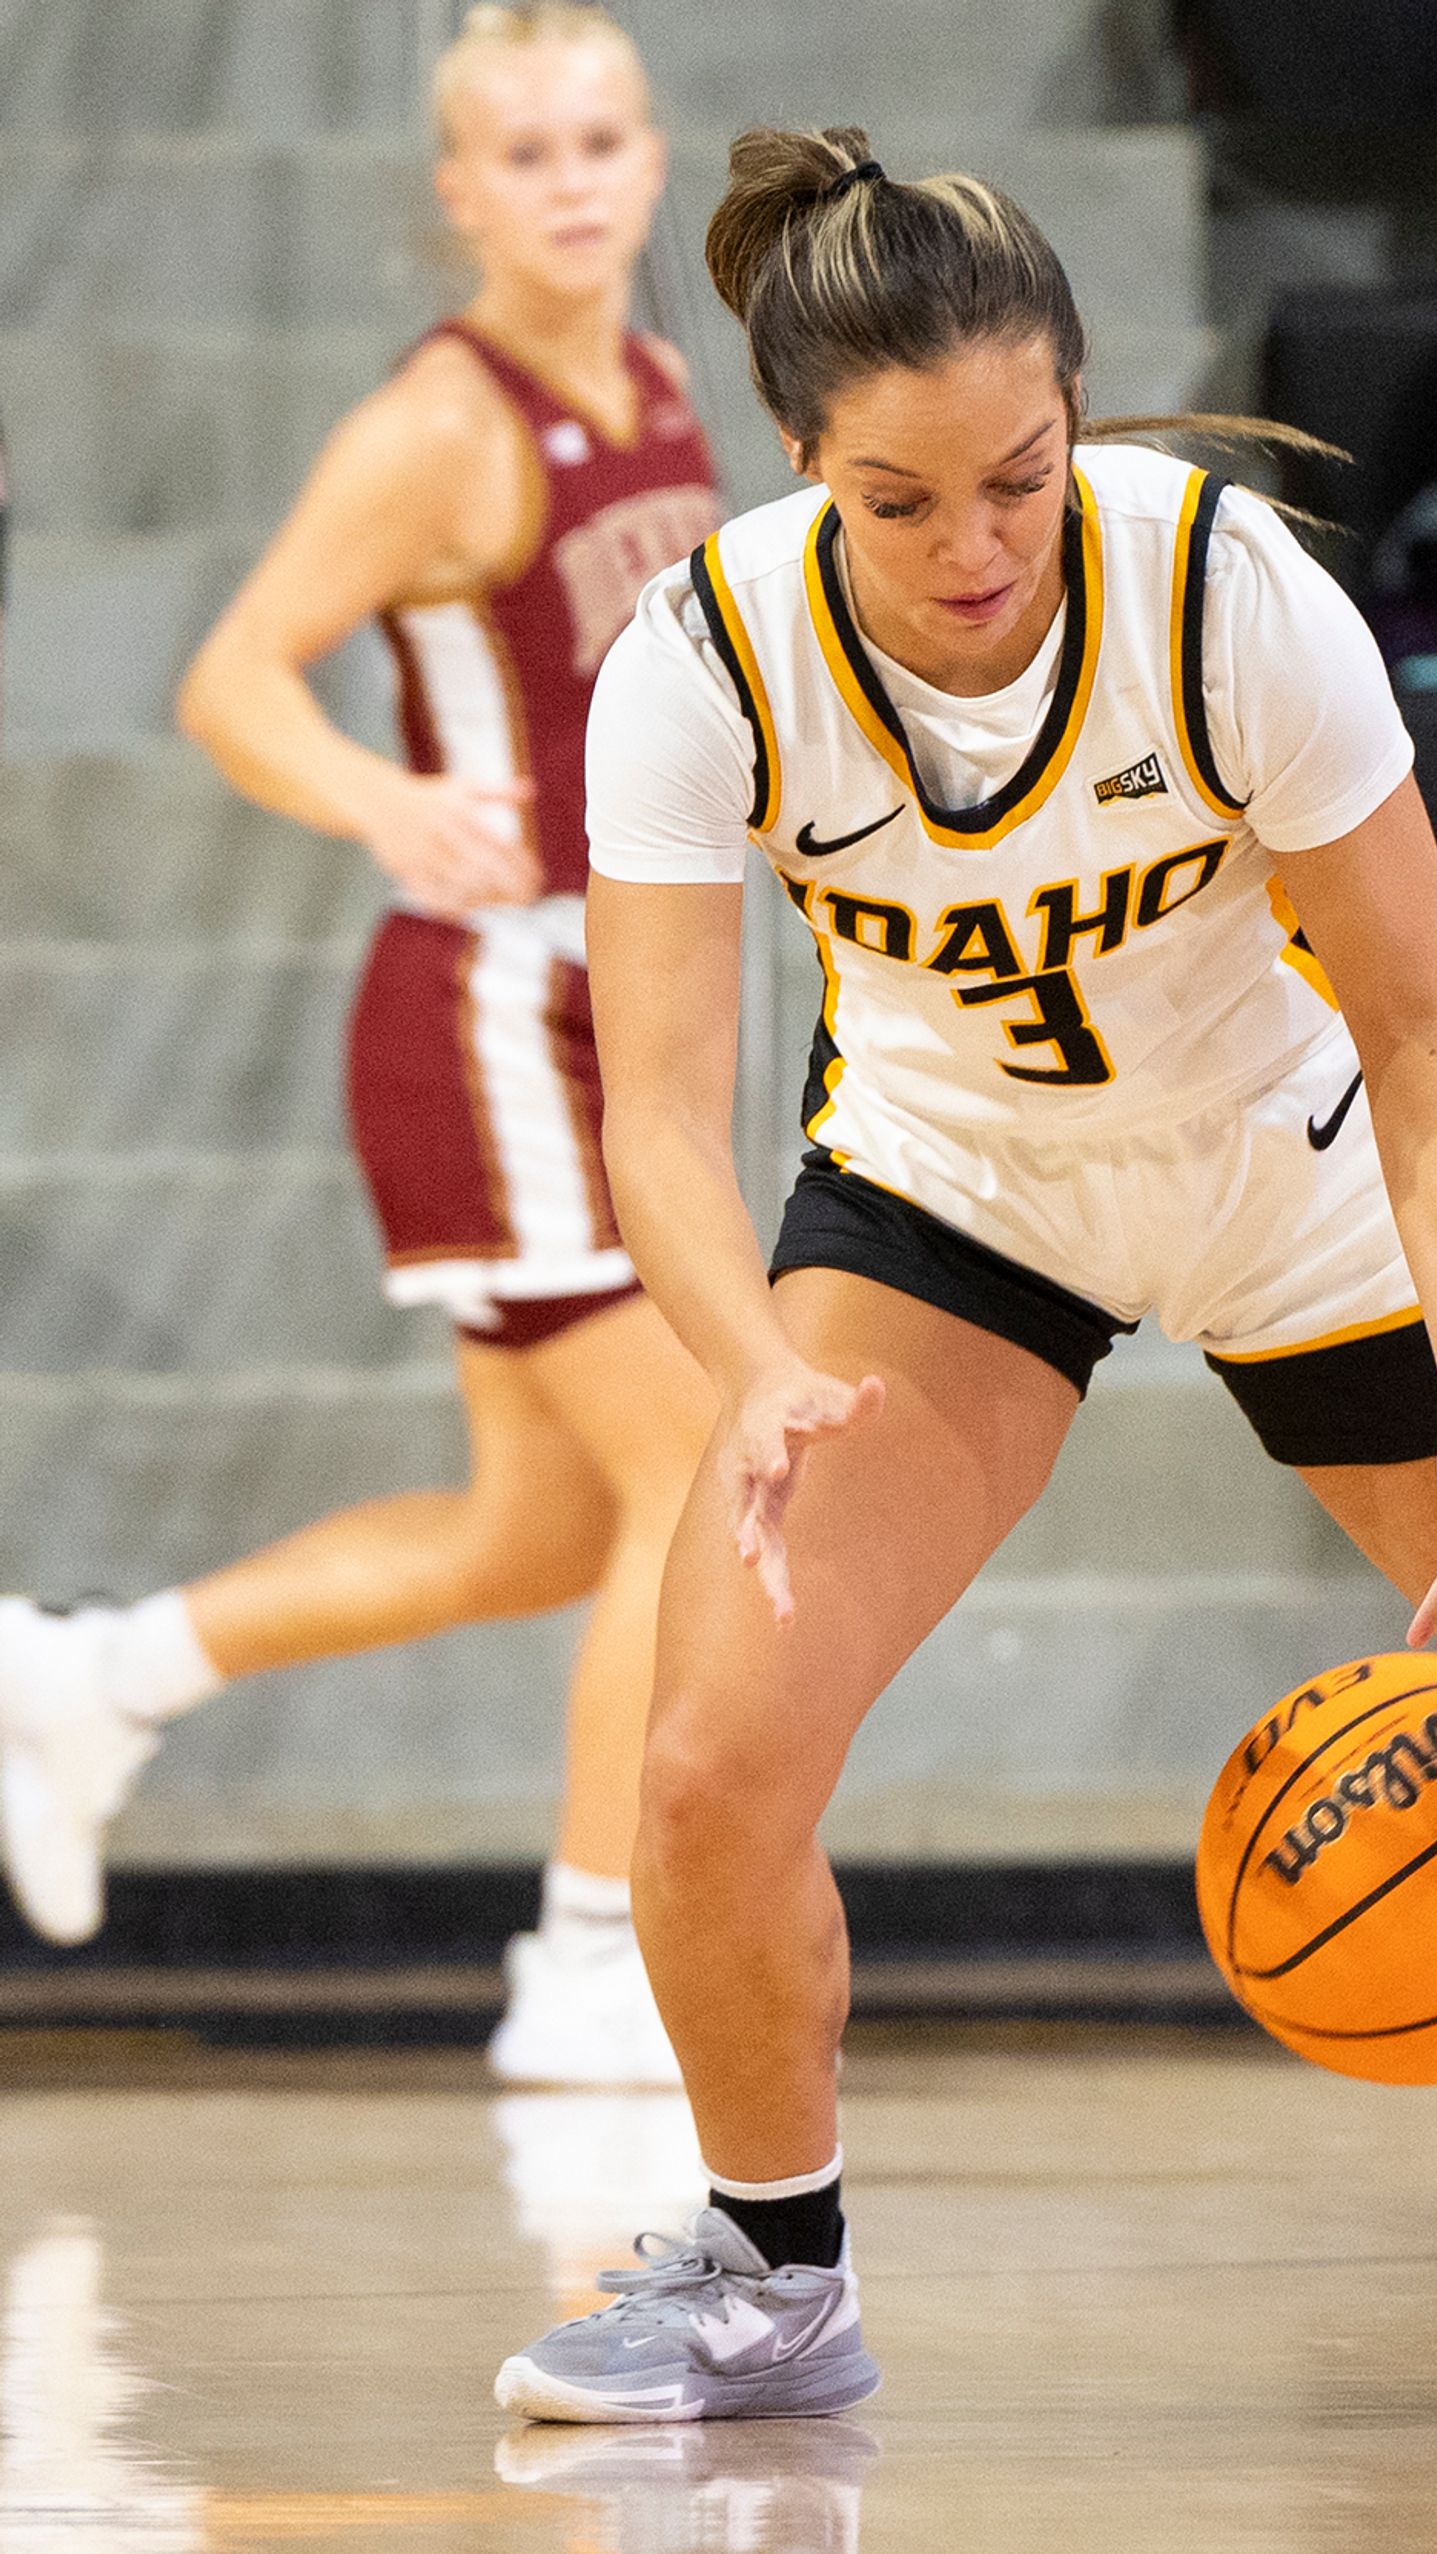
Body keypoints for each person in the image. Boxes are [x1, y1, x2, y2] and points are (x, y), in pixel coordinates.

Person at [491, 127, 1437, 2425]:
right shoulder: (703, 648)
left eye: (1020, 477)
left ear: (1077, 412)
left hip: (1301, 1169)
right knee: (710, 1760)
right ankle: (770, 2275)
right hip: (960, 1190)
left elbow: (1436, 1040)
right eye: (902, 498)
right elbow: (651, 1108)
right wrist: (744, 1361)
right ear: (798, 466)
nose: (975, 548)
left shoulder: (1226, 593)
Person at [0, 4, 716, 2089]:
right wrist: (382, 802)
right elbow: (234, 674)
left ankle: (89, 1675)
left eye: (604, 139)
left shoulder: (667, 386)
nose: (575, 179)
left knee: (542, 1534)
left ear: (653, 157)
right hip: (490, 1018)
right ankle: (588, 1956)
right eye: (530, 151)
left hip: (622, 1003)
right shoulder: (441, 422)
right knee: (694, 1467)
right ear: (459, 192)